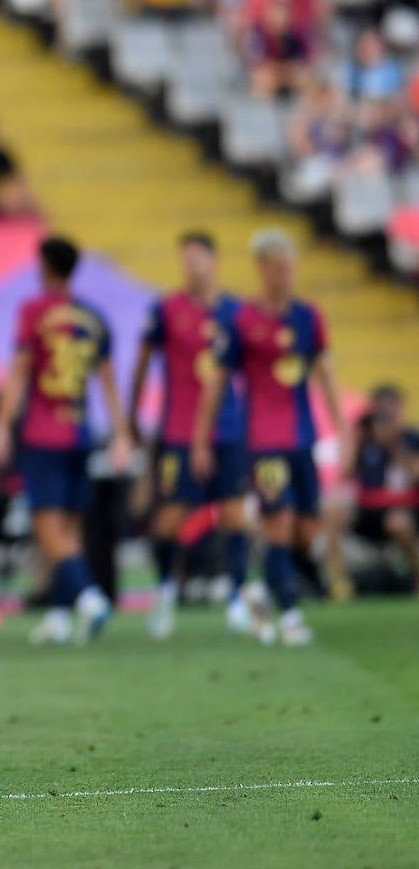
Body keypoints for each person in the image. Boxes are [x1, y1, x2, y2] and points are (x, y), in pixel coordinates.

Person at [193, 229, 348, 646]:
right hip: (263, 442)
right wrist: (202, 438)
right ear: (260, 268)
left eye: (290, 267)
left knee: (306, 530)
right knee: (279, 522)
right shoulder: (241, 320)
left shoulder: (308, 317)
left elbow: (327, 377)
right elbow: (217, 383)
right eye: (277, 267)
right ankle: (291, 615)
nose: (284, 275)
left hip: (303, 439)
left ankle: (261, 588)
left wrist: (343, 430)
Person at [0, 236, 132, 646]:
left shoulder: (34, 311)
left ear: (46, 267)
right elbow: (108, 383)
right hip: (81, 431)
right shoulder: (94, 318)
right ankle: (58, 614)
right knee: (68, 529)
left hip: (42, 433)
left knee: (46, 527)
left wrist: (0, 424)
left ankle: (89, 598)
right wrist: (121, 433)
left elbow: (18, 371)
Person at [128, 232, 252, 639]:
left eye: (198, 258)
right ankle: (165, 591)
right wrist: (131, 414)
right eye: (185, 259)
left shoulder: (237, 311)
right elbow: (143, 362)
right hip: (179, 431)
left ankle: (237, 599)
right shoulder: (166, 310)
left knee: (235, 515)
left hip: (229, 430)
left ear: (215, 261)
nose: (191, 266)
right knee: (169, 521)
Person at [324, 385, 419, 596]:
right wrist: (354, 439)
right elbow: (346, 474)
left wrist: (394, 448)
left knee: (397, 522)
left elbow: (415, 476)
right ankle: (338, 582)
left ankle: (416, 575)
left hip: (404, 509)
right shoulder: (365, 440)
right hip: (369, 510)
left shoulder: (411, 439)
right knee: (333, 511)